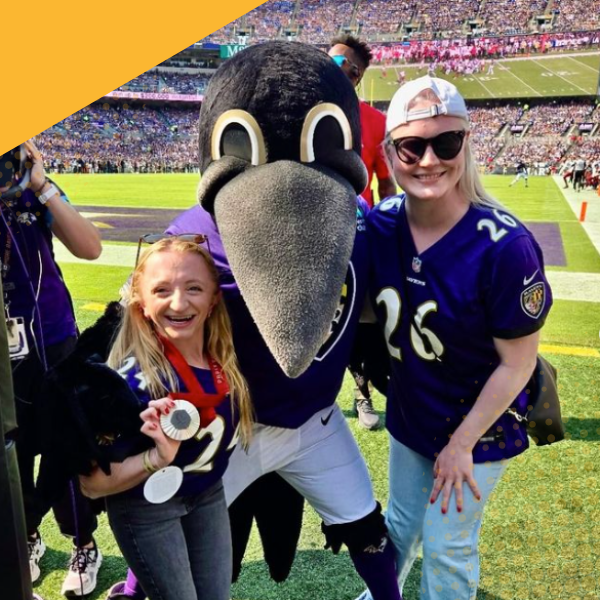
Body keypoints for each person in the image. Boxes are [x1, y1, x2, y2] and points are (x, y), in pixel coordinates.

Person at [361, 76, 553, 600]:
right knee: (400, 523)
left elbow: (517, 363)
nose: (429, 160)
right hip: (413, 410)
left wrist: (461, 444)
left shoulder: (506, 246)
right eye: (411, 146)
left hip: (480, 423)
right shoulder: (380, 225)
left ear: (466, 143)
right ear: (389, 153)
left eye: (446, 143)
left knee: (447, 545)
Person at [81, 237, 253, 600]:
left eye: (194, 288)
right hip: (146, 507)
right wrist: (154, 458)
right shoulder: (128, 384)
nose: (178, 303)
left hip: (207, 493)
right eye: (162, 290)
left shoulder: (224, 354)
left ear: (213, 298)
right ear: (141, 302)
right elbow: (91, 485)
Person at [0, 140, 103, 596]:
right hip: (4, 356)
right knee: (13, 455)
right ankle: (26, 536)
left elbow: (90, 247)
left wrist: (40, 185)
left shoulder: (33, 190)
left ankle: (84, 543)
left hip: (53, 337)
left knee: (67, 446)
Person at [329, 34, 396, 430]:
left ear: (358, 77)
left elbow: (386, 184)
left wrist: (391, 231)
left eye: (347, 68)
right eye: (332, 62)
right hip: (308, 235)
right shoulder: (300, 108)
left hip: (357, 236)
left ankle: (362, 393)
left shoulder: (376, 121)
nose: (338, 72)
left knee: (363, 319)